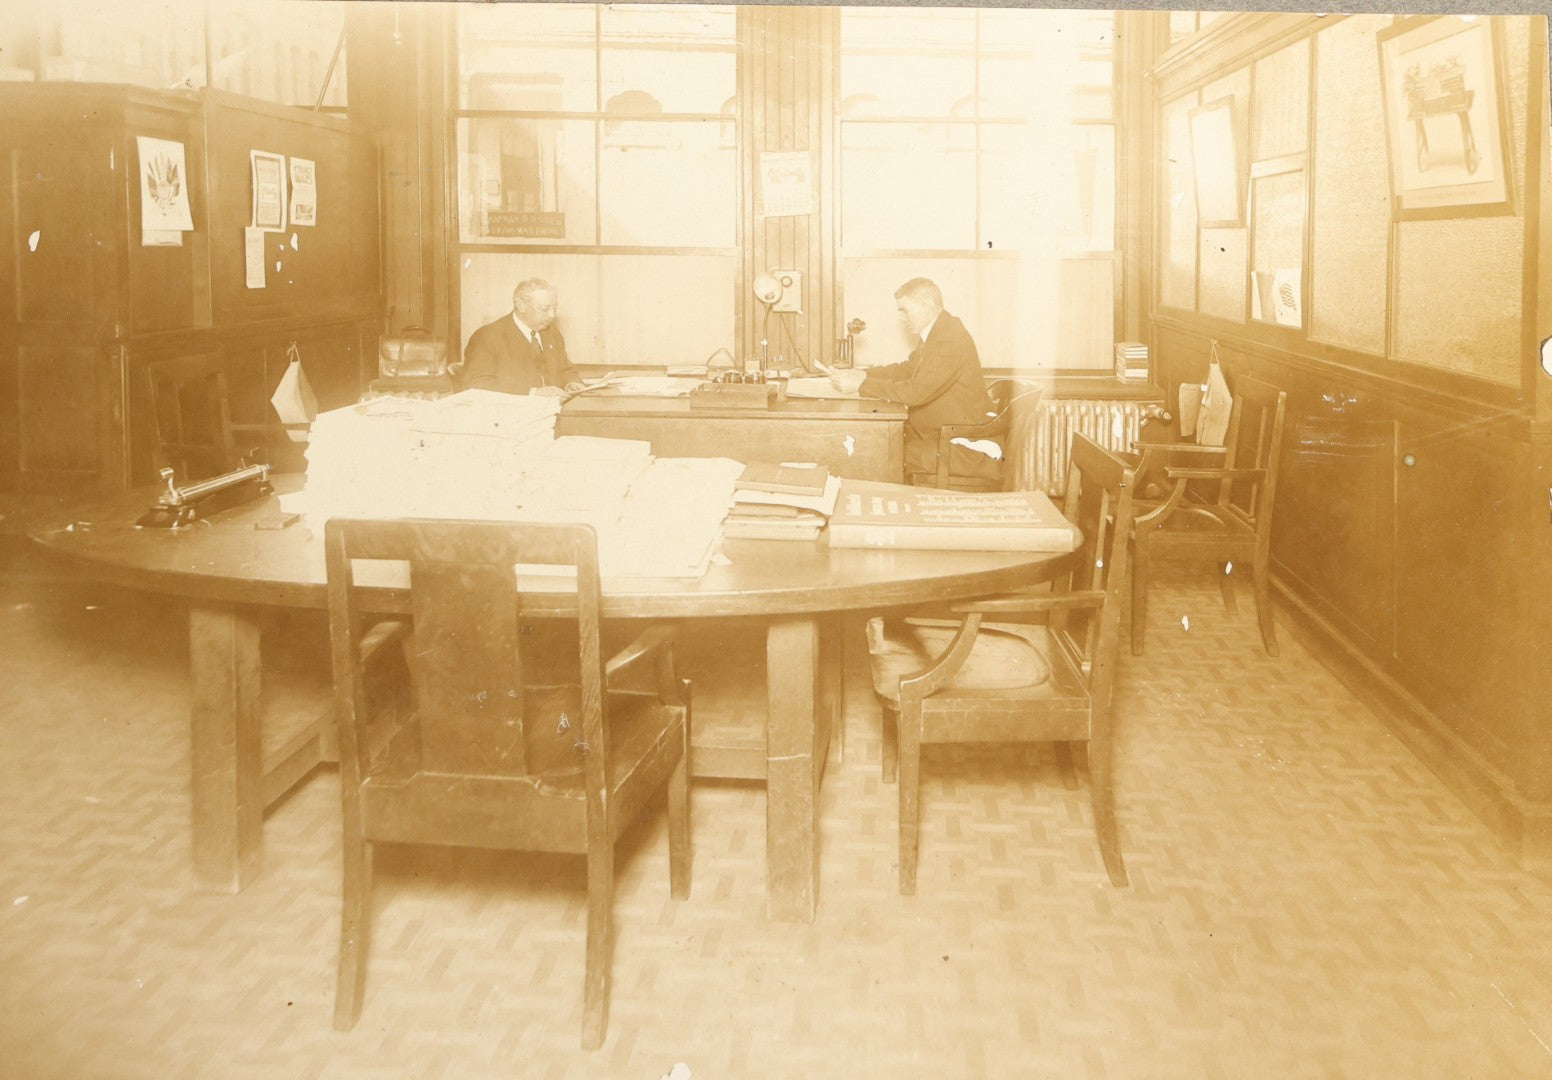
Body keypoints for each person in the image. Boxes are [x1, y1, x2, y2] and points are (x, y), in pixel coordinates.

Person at [829, 278, 998, 484]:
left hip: (962, 447)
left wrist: (861, 385)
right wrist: (863, 374)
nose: (901, 318)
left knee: (876, 449)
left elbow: (915, 392)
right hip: (941, 435)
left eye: (905, 311)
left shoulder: (948, 338)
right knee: (875, 443)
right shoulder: (940, 330)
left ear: (926, 305)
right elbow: (907, 370)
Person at [459, 278, 585, 396]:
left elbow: (564, 369)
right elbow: (477, 383)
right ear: (521, 305)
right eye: (544, 309)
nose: (552, 315)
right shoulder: (488, 336)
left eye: (554, 308)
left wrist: (571, 383)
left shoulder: (552, 333)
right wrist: (533, 392)